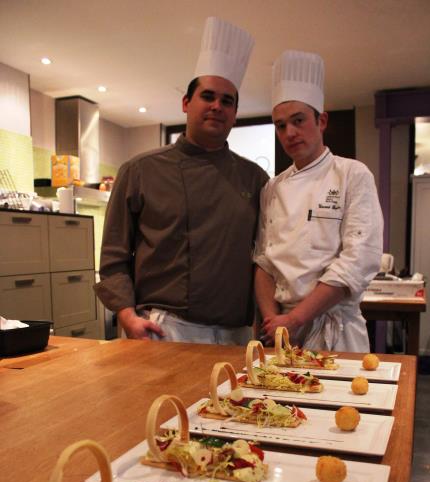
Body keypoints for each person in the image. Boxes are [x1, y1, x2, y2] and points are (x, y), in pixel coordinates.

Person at [95, 17, 268, 345]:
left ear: (234, 113)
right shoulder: (140, 171)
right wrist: (129, 317)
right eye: (208, 96)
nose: (217, 106)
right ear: (186, 103)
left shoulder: (255, 179)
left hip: (236, 332)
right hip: (166, 328)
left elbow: (265, 259)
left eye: (227, 101)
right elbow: (114, 258)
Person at [254, 49, 383, 352]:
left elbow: (357, 261)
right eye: (281, 125)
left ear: (321, 120)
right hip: (284, 335)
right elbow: (263, 262)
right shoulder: (272, 188)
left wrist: (297, 318)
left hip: (336, 331)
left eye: (299, 120)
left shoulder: (352, 174)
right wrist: (274, 321)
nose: (290, 133)